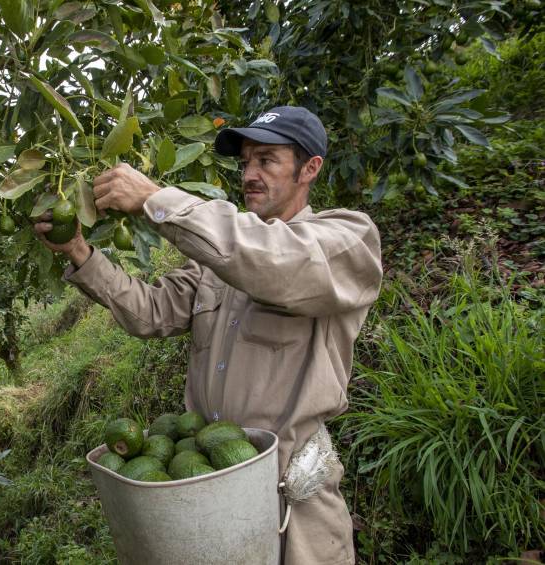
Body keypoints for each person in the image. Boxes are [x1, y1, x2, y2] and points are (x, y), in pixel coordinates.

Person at [35, 106, 382, 564]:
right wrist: (80, 253)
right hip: (202, 484)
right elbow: (150, 312)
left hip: (289, 499)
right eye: (245, 163)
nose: (250, 175)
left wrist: (157, 200)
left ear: (309, 168)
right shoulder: (216, 260)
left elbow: (274, 262)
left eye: (267, 160)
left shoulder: (345, 239)